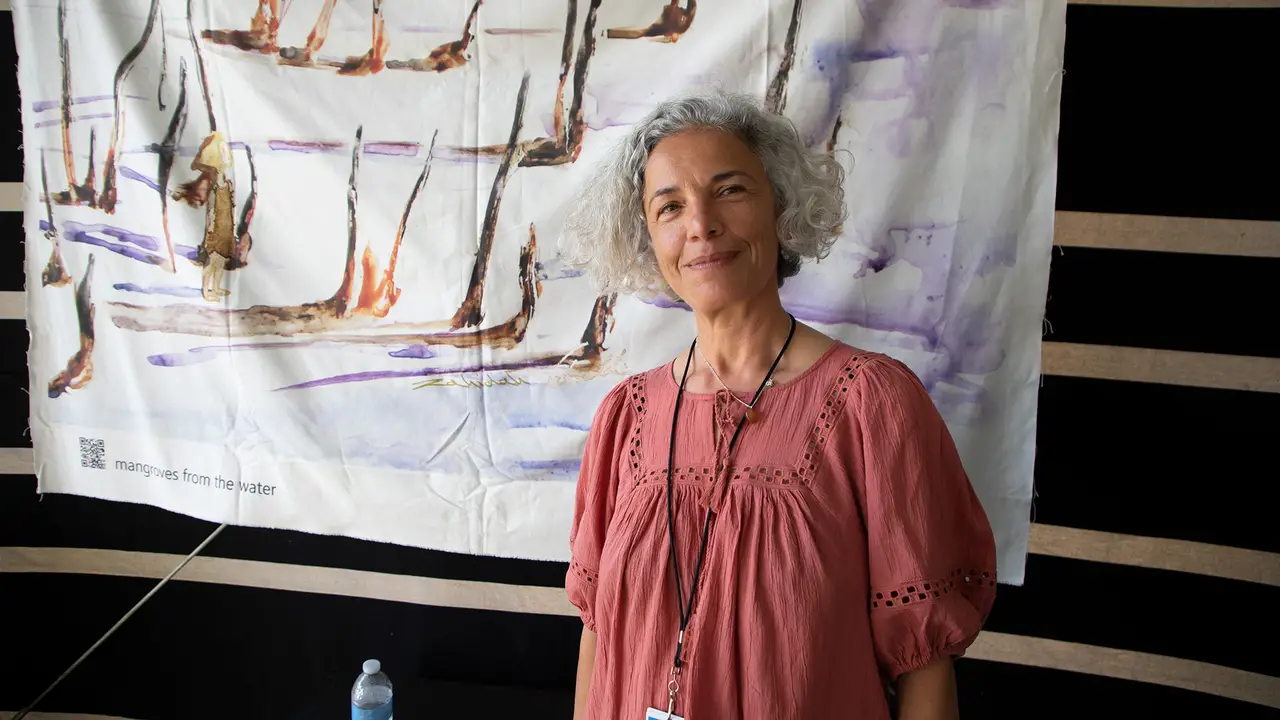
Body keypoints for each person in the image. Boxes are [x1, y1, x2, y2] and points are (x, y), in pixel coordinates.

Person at [558, 90, 996, 720]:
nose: (701, 225)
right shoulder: (624, 418)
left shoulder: (872, 404)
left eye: (730, 190)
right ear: (647, 236)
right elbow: (598, 638)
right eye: (670, 207)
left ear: (781, 206)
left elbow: (922, 661)